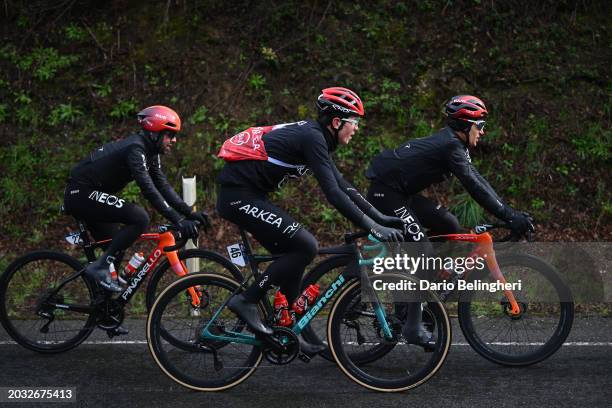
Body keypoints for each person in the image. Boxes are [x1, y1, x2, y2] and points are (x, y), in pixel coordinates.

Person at [216, 87, 406, 354]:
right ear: (337, 122)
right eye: (354, 122)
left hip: (250, 194)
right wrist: (373, 227)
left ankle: (291, 332)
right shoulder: (312, 137)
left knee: (294, 258)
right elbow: (333, 195)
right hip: (238, 196)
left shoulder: (316, 138)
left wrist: (378, 217)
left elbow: (343, 185)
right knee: (306, 246)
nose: (357, 128)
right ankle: (246, 301)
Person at [365, 95, 534, 342]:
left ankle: (420, 288)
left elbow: (478, 180)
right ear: (466, 125)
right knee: (423, 250)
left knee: (449, 225)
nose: (483, 132)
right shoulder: (450, 146)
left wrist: (509, 213)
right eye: (480, 126)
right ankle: (412, 324)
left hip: (401, 193)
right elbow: (474, 187)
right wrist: (509, 216)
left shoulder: (454, 145)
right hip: (385, 193)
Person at [64, 106, 209, 293]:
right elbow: (148, 189)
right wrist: (178, 220)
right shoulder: (136, 149)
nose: (174, 140)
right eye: (170, 134)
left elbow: (162, 186)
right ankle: (99, 267)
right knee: (140, 218)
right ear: (155, 133)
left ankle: (102, 309)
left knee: (117, 244)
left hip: (89, 194)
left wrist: (190, 213)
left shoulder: (151, 153)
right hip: (80, 192)